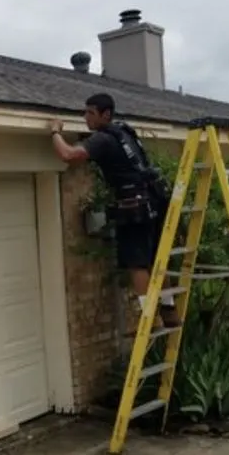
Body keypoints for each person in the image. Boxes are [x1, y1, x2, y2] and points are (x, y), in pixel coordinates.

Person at [49, 92, 181, 329]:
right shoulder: (124, 132)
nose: (86, 117)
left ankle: (150, 318)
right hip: (155, 198)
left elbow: (69, 155)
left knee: (137, 262)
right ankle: (169, 311)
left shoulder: (103, 139)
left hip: (134, 205)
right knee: (156, 259)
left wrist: (55, 131)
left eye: (90, 112)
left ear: (105, 114)